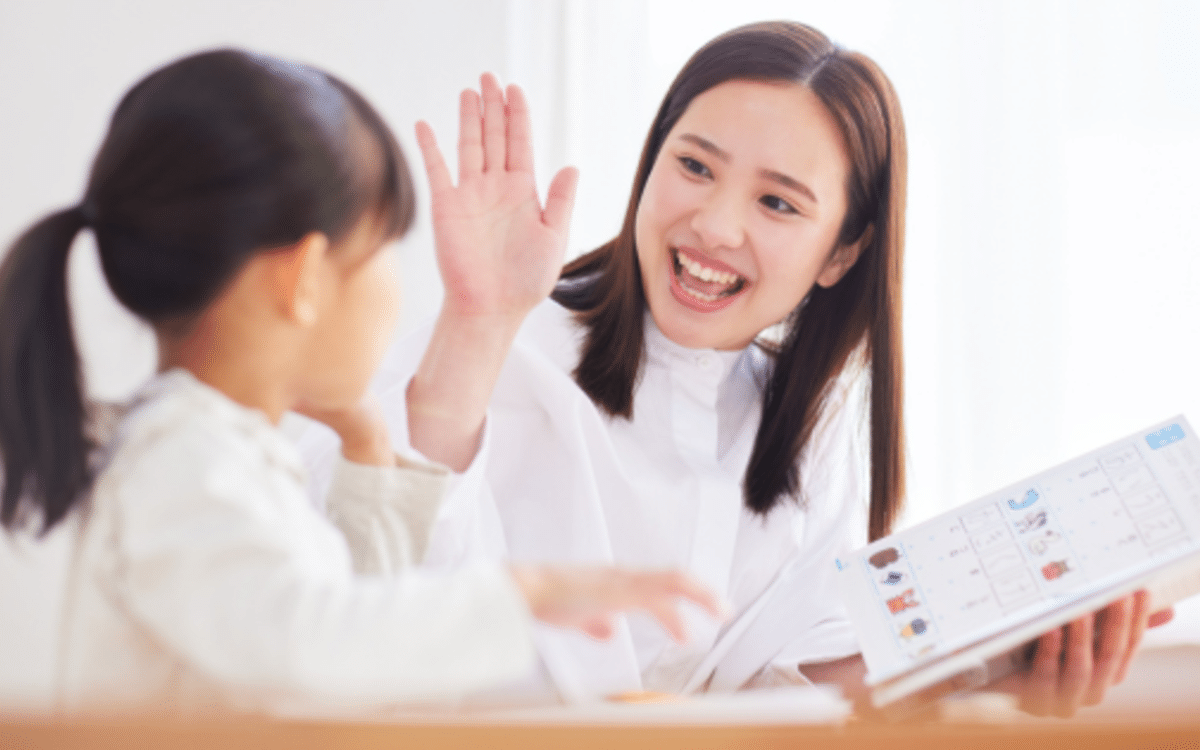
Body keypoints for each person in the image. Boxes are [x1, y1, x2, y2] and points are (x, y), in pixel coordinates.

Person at [300, 20, 1178, 717]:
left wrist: (1000, 660)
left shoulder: (809, 433)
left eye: (777, 202)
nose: (715, 227)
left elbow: (793, 683)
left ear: (842, 252)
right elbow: (359, 585)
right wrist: (478, 322)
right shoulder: (500, 345)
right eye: (693, 166)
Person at [0, 48, 723, 715]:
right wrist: (523, 593)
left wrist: (372, 451)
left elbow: (357, 623)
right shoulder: (180, 462)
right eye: (385, 248)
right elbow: (307, 645)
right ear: (305, 279)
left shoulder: (222, 452)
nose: (396, 283)